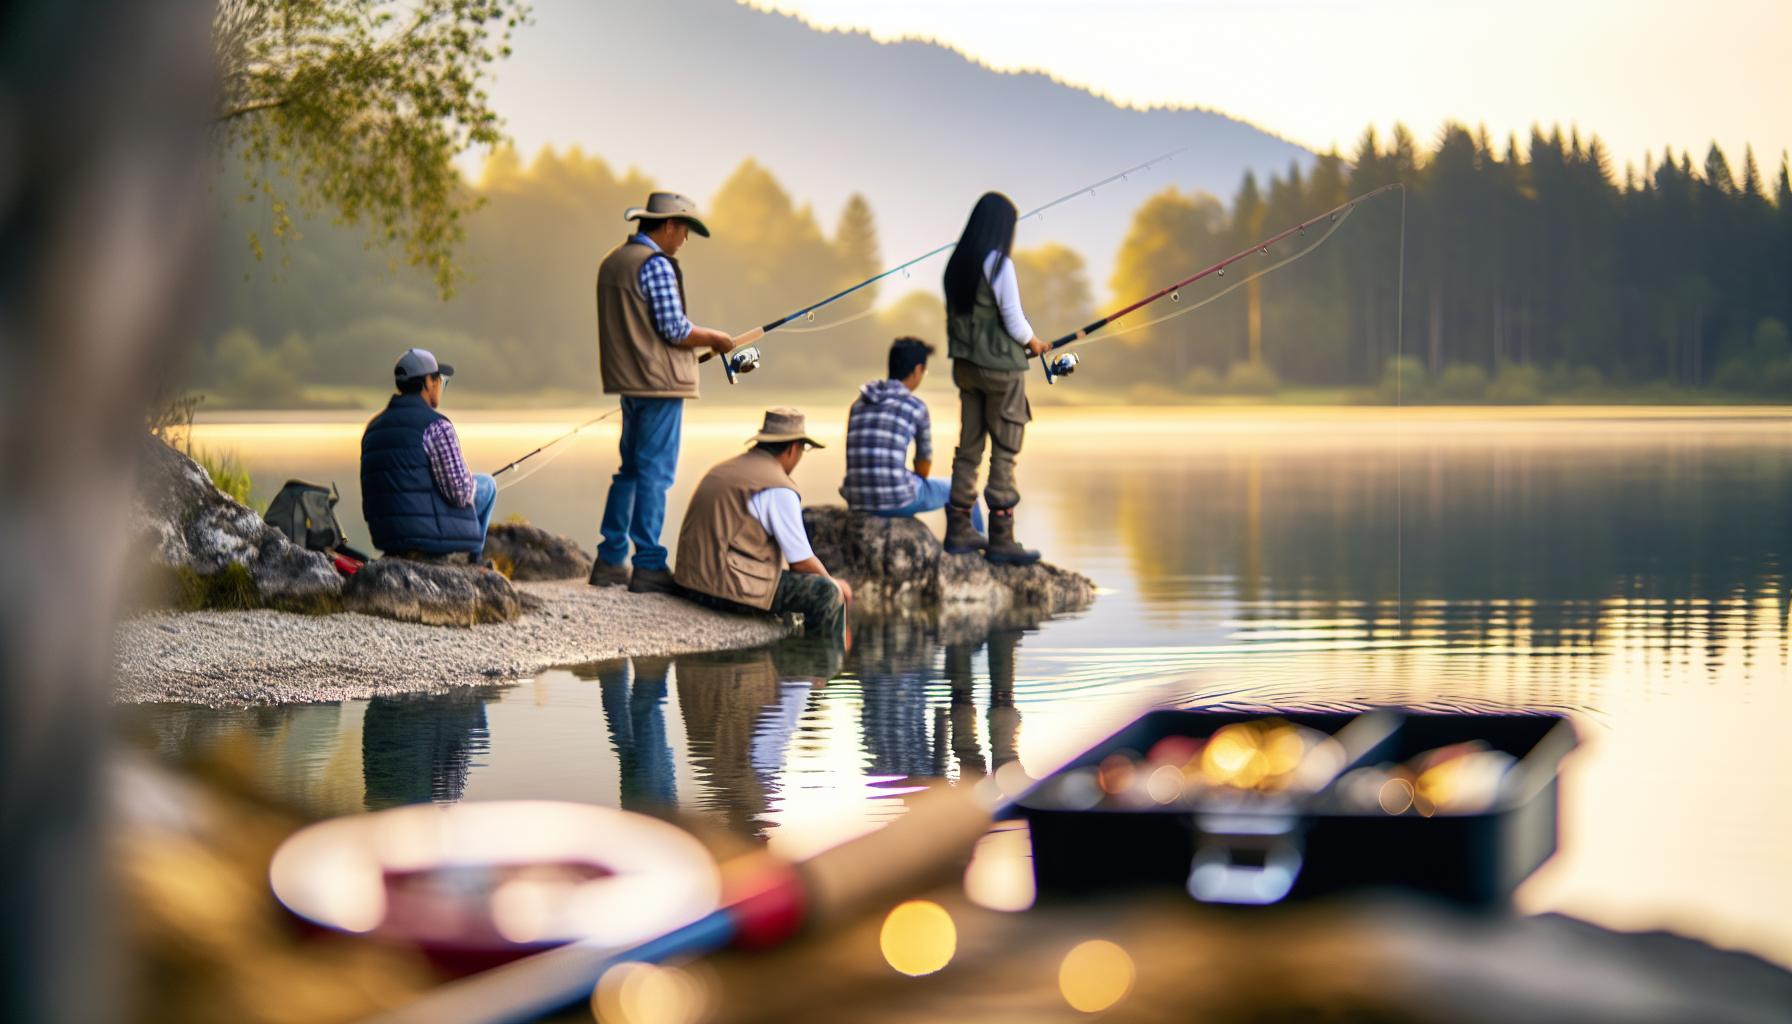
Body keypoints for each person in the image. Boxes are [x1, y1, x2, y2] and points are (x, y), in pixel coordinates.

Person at [590, 192, 737, 594]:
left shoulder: (613, 262)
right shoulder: (655, 264)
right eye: (685, 230)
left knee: (630, 471)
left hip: (630, 381)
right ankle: (649, 564)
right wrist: (717, 338)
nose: (685, 239)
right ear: (669, 225)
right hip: (659, 384)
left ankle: (609, 559)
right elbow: (674, 329)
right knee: (656, 473)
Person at [673, 408, 853, 642]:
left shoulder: (723, 470)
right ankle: (823, 660)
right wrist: (836, 588)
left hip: (689, 583)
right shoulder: (777, 487)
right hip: (723, 590)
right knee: (825, 593)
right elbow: (801, 562)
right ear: (793, 448)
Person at [942, 192, 1048, 564]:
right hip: (1001, 370)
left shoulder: (956, 264)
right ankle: (1002, 539)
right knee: (1005, 448)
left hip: (966, 368)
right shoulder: (999, 264)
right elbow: (1014, 321)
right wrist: (1035, 343)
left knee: (969, 446)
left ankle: (959, 531)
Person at [359, 348, 497, 562]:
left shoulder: (373, 428)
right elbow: (460, 494)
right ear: (428, 382)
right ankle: (474, 563)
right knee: (487, 484)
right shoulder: (437, 426)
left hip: (387, 538)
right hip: (427, 537)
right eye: (440, 380)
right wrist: (471, 482)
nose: (440, 387)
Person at [841, 336, 985, 535]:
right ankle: (972, 541)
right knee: (965, 489)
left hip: (856, 499)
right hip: (895, 501)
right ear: (918, 369)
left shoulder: (859, 403)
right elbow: (923, 468)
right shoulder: (915, 407)